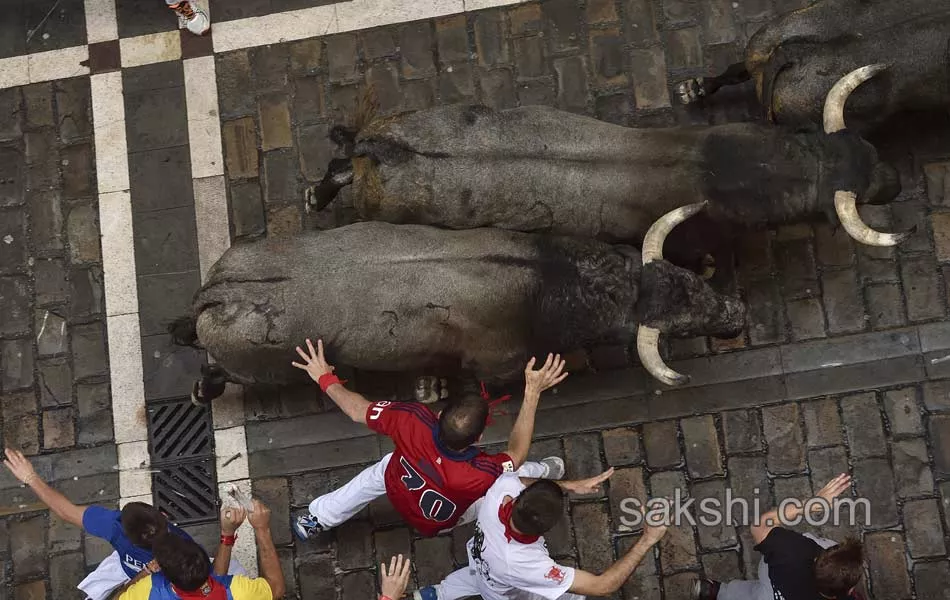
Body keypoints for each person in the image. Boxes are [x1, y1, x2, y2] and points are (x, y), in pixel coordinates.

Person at [291, 338, 569, 540]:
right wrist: (532, 392)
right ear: (480, 437)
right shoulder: (480, 472)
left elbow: (356, 411)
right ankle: (544, 472)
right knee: (512, 478)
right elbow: (516, 455)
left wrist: (325, 378)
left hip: (397, 482)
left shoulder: (412, 419)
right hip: (434, 523)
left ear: (438, 416)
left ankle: (317, 520)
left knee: (380, 470)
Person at [2, 448, 237, 600]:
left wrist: (30, 477)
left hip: (130, 573)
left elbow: (65, 511)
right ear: (163, 517)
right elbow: (214, 580)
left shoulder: (115, 526)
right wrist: (227, 534)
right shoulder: (185, 552)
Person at [414, 468, 669, 599]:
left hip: (482, 559)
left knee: (478, 576)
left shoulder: (501, 489)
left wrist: (570, 485)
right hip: (507, 590)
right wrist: (648, 539)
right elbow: (603, 586)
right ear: (547, 529)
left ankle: (438, 594)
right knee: (571, 595)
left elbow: (523, 482)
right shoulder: (525, 565)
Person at [692, 473, 864, 600]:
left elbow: (761, 525)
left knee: (748, 595)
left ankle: (716, 592)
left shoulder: (794, 552)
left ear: (818, 559)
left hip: (771, 586)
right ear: (848, 592)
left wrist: (811, 505)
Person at [117, 498, 286, 600]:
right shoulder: (236, 591)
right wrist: (261, 528)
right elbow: (277, 589)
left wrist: (145, 571)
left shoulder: (148, 590)